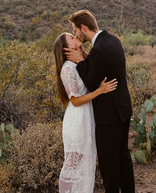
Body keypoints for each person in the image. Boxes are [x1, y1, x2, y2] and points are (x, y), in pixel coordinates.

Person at [64, 10, 135, 193]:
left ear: (84, 27)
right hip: (124, 108)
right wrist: (85, 56)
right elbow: (99, 66)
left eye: (75, 30)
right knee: (123, 157)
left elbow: (91, 82)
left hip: (108, 116)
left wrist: (80, 61)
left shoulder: (99, 50)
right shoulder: (112, 40)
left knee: (108, 162)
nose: (75, 34)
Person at [53, 32, 118, 193]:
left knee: (85, 166)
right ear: (66, 49)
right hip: (76, 121)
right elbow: (74, 100)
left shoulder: (77, 64)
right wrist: (100, 91)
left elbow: (94, 68)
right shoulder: (67, 69)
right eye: (72, 38)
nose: (76, 37)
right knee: (72, 165)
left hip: (87, 119)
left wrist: (81, 53)